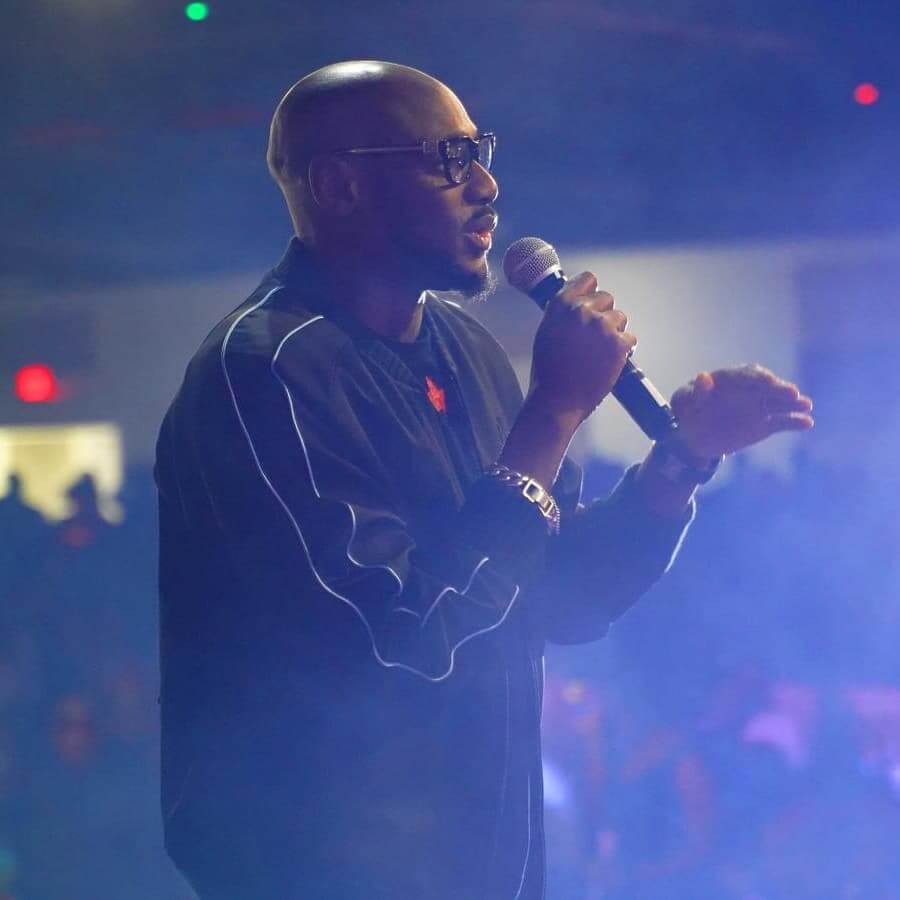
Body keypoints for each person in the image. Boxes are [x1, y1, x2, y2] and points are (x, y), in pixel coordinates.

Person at [154, 60, 814, 900]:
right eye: (448, 158)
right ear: (341, 186)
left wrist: (677, 463)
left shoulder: (465, 351)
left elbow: (556, 598)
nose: (487, 186)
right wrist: (552, 412)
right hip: (325, 868)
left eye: (481, 153)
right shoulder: (264, 373)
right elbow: (398, 645)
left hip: (484, 861)